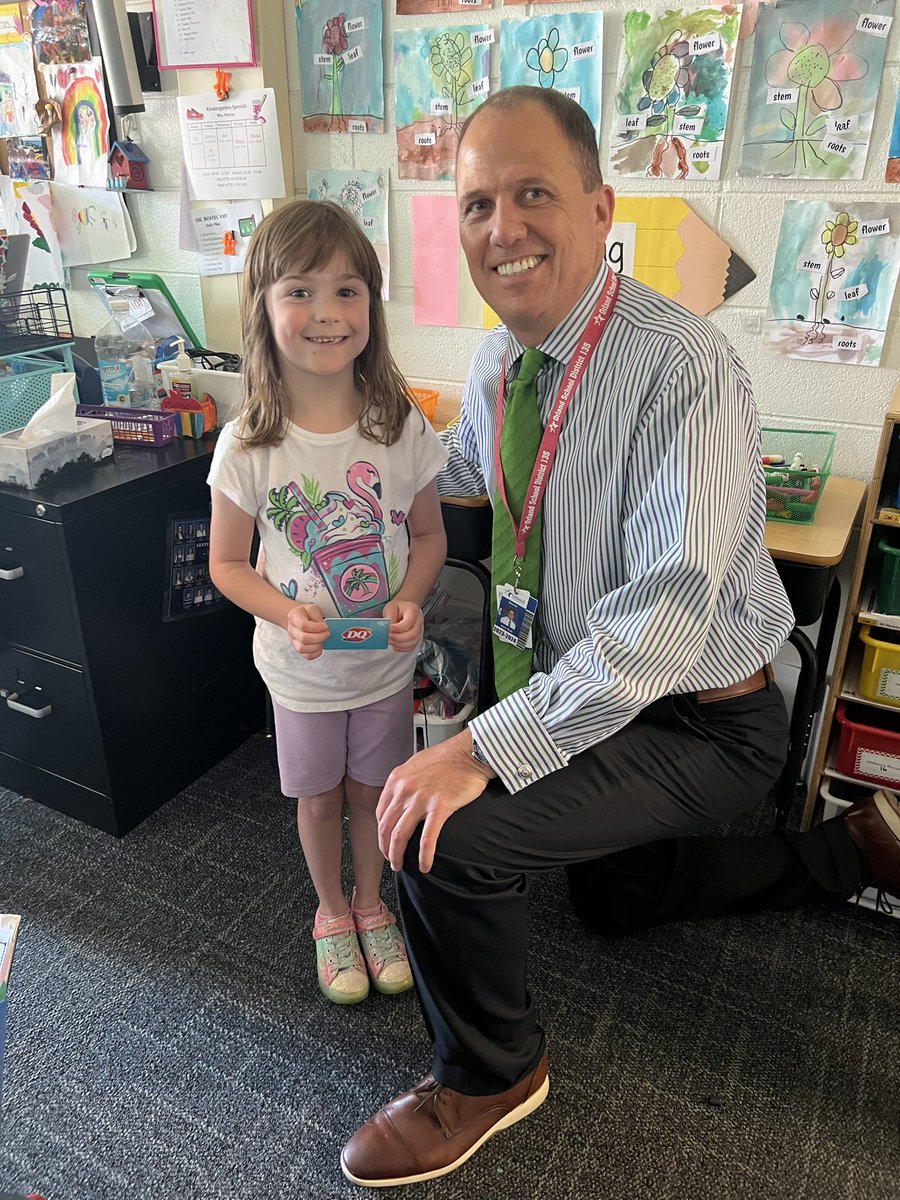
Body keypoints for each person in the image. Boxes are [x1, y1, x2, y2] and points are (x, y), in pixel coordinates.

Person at [340, 87, 900, 1188]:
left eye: (534, 193)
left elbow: (665, 615)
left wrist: (482, 747)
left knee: (441, 835)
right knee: (611, 899)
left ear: (602, 209)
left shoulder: (681, 367)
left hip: (707, 718)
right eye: (478, 203)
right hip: (602, 695)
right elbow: (465, 477)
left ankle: (492, 1073)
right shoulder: (503, 364)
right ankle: (851, 849)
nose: (504, 228)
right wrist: (332, 461)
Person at [208, 200, 448, 1007]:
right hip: (300, 673)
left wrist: (412, 601)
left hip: (382, 668)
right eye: (300, 291)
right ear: (265, 306)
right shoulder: (248, 444)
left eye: (348, 291)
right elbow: (227, 565)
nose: (325, 313)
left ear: (372, 310)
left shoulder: (398, 425)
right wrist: (286, 612)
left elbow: (428, 541)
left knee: (372, 791)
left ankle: (374, 904)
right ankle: (331, 910)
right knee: (316, 795)